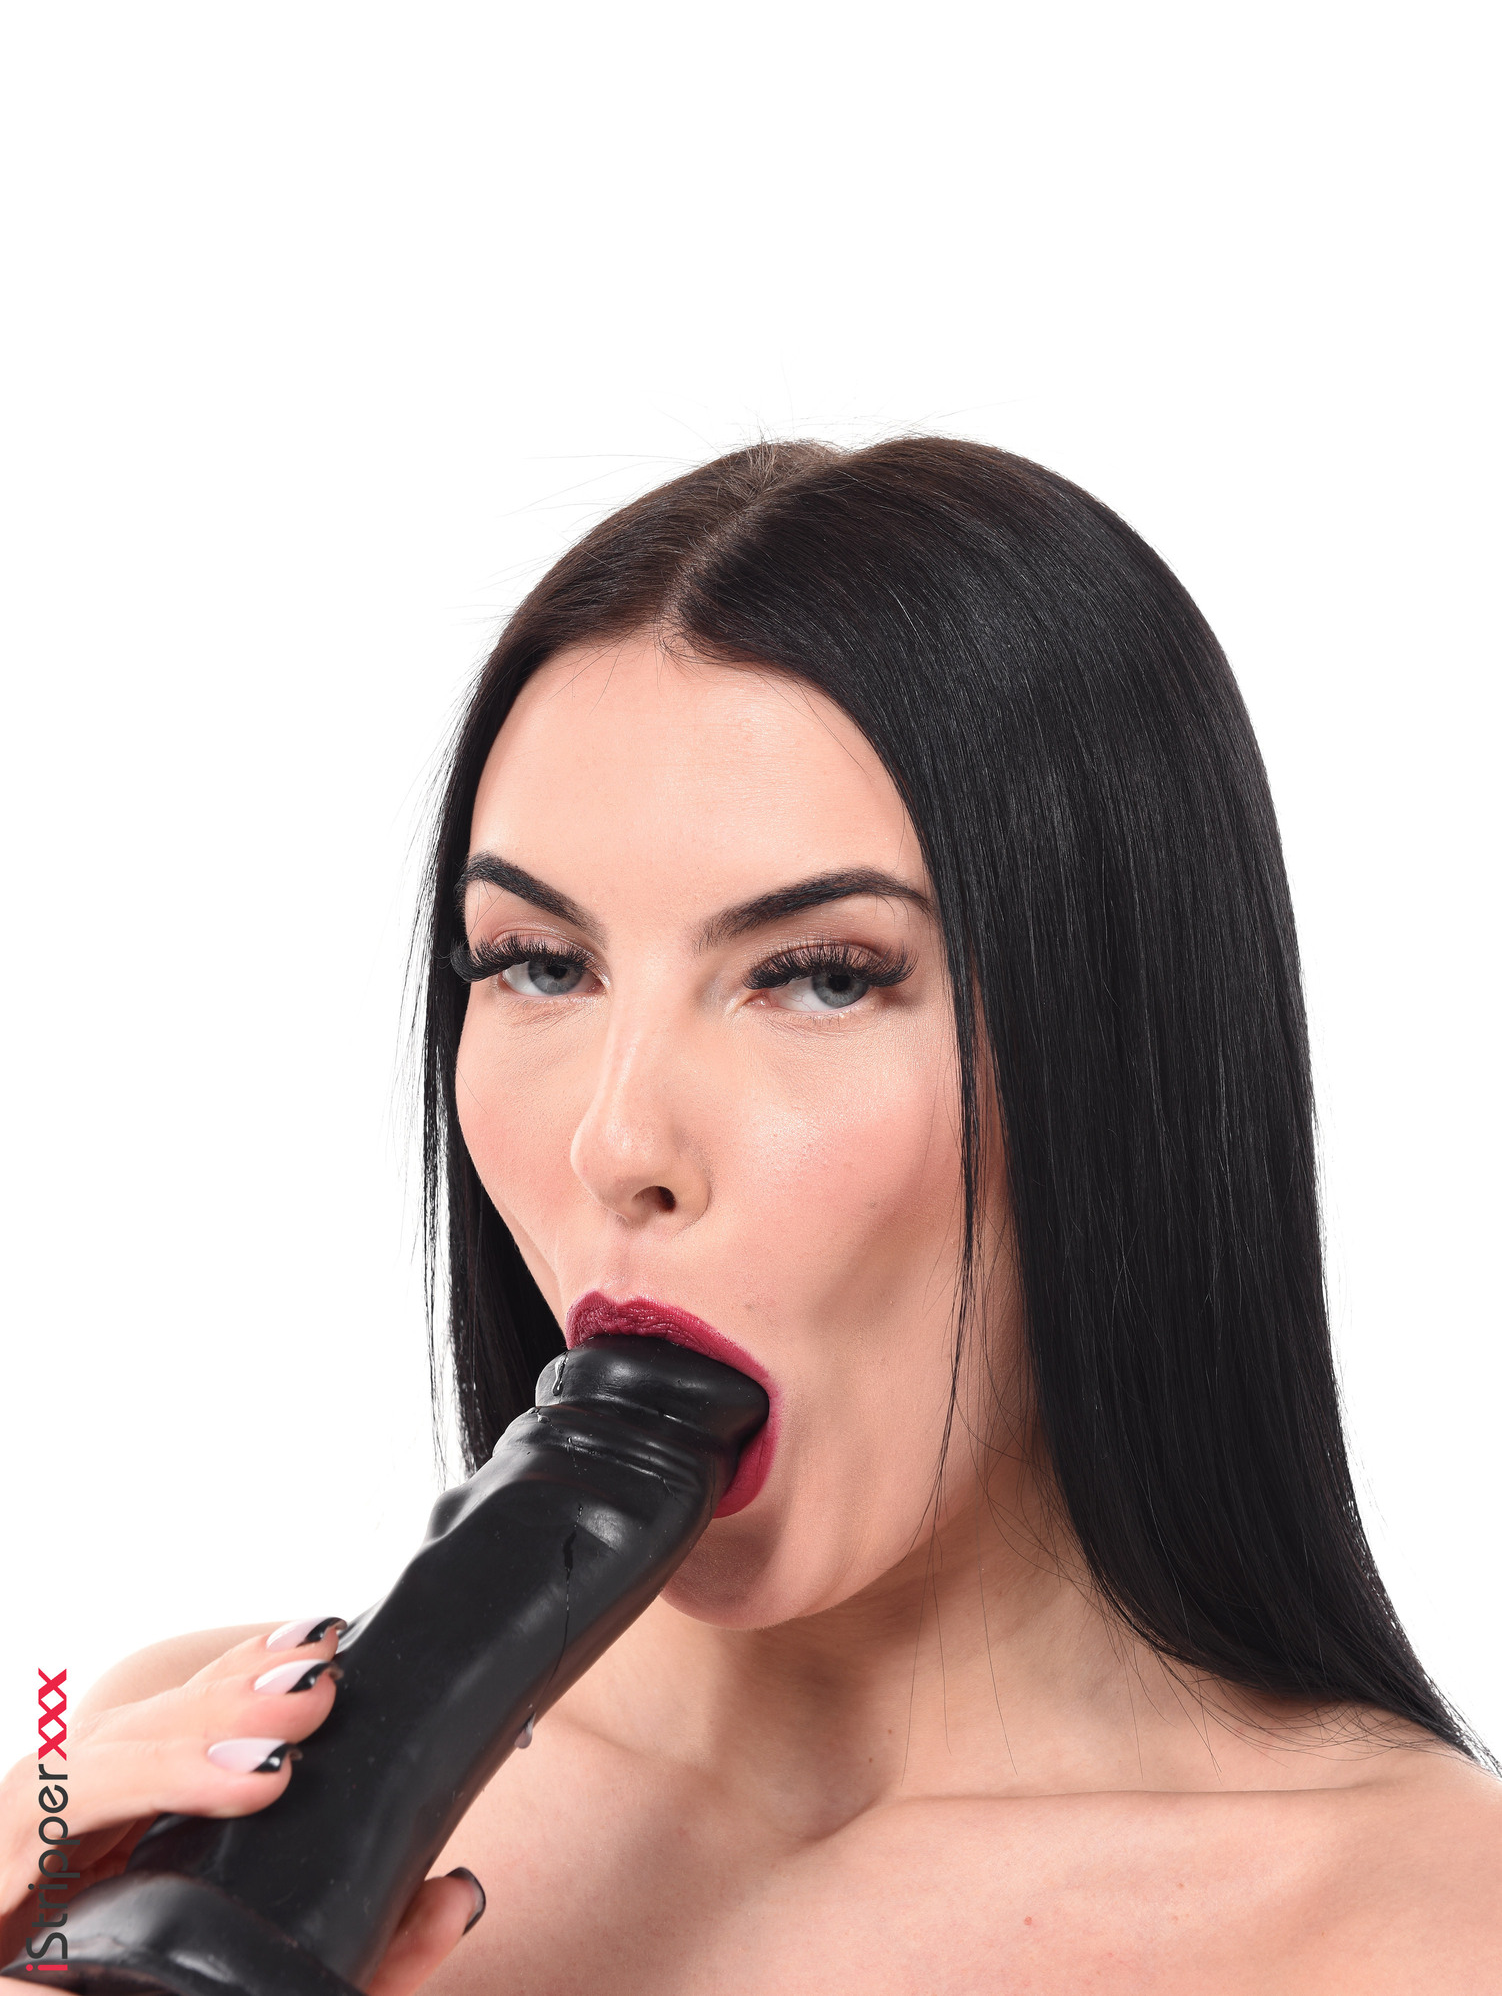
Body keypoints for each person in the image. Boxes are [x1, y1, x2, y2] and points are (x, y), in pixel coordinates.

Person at [4, 437, 1498, 1992]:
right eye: (539, 964)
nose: (615, 1141)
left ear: (1123, 1063)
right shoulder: (181, 1791)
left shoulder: (1431, 1929)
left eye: (820, 977)